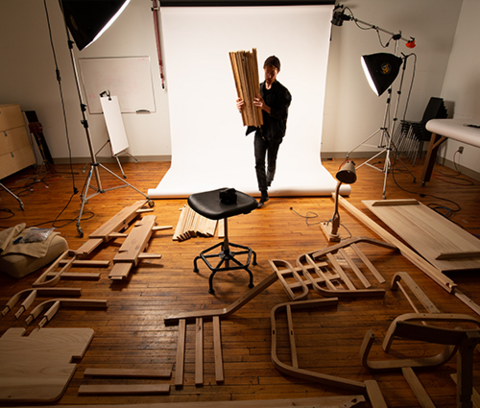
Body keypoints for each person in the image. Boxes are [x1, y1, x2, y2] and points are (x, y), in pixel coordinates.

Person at [236, 55, 292, 208]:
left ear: (277, 72)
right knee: (259, 163)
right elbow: (250, 107)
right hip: (260, 131)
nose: (268, 76)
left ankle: (268, 180)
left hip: (275, 134)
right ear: (263, 71)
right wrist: (241, 106)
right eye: (267, 72)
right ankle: (264, 194)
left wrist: (264, 106)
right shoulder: (258, 88)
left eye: (272, 73)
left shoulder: (284, 93)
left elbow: (282, 114)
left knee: (271, 162)